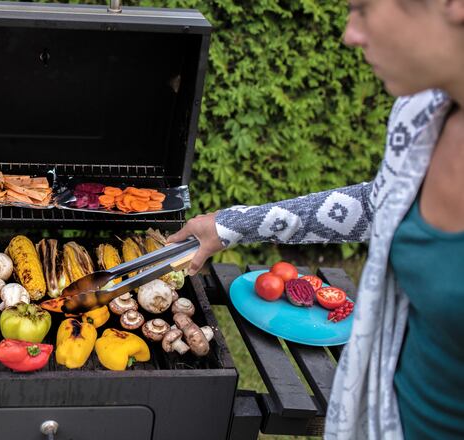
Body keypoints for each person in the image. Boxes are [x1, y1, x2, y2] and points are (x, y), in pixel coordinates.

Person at [168, 0, 464, 438]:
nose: (350, 34)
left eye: (363, 9)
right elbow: (377, 203)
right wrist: (230, 225)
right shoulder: (421, 116)